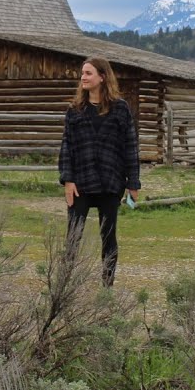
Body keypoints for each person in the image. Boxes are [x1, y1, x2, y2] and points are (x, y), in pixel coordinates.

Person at [59, 57, 141, 287]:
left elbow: (130, 147)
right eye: (82, 73)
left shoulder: (120, 109)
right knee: (73, 236)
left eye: (88, 73)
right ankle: (64, 287)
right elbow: (67, 146)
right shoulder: (74, 110)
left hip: (110, 182)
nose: (83, 77)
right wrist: (68, 179)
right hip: (80, 183)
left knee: (108, 236)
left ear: (102, 77)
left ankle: (107, 286)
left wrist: (133, 183)